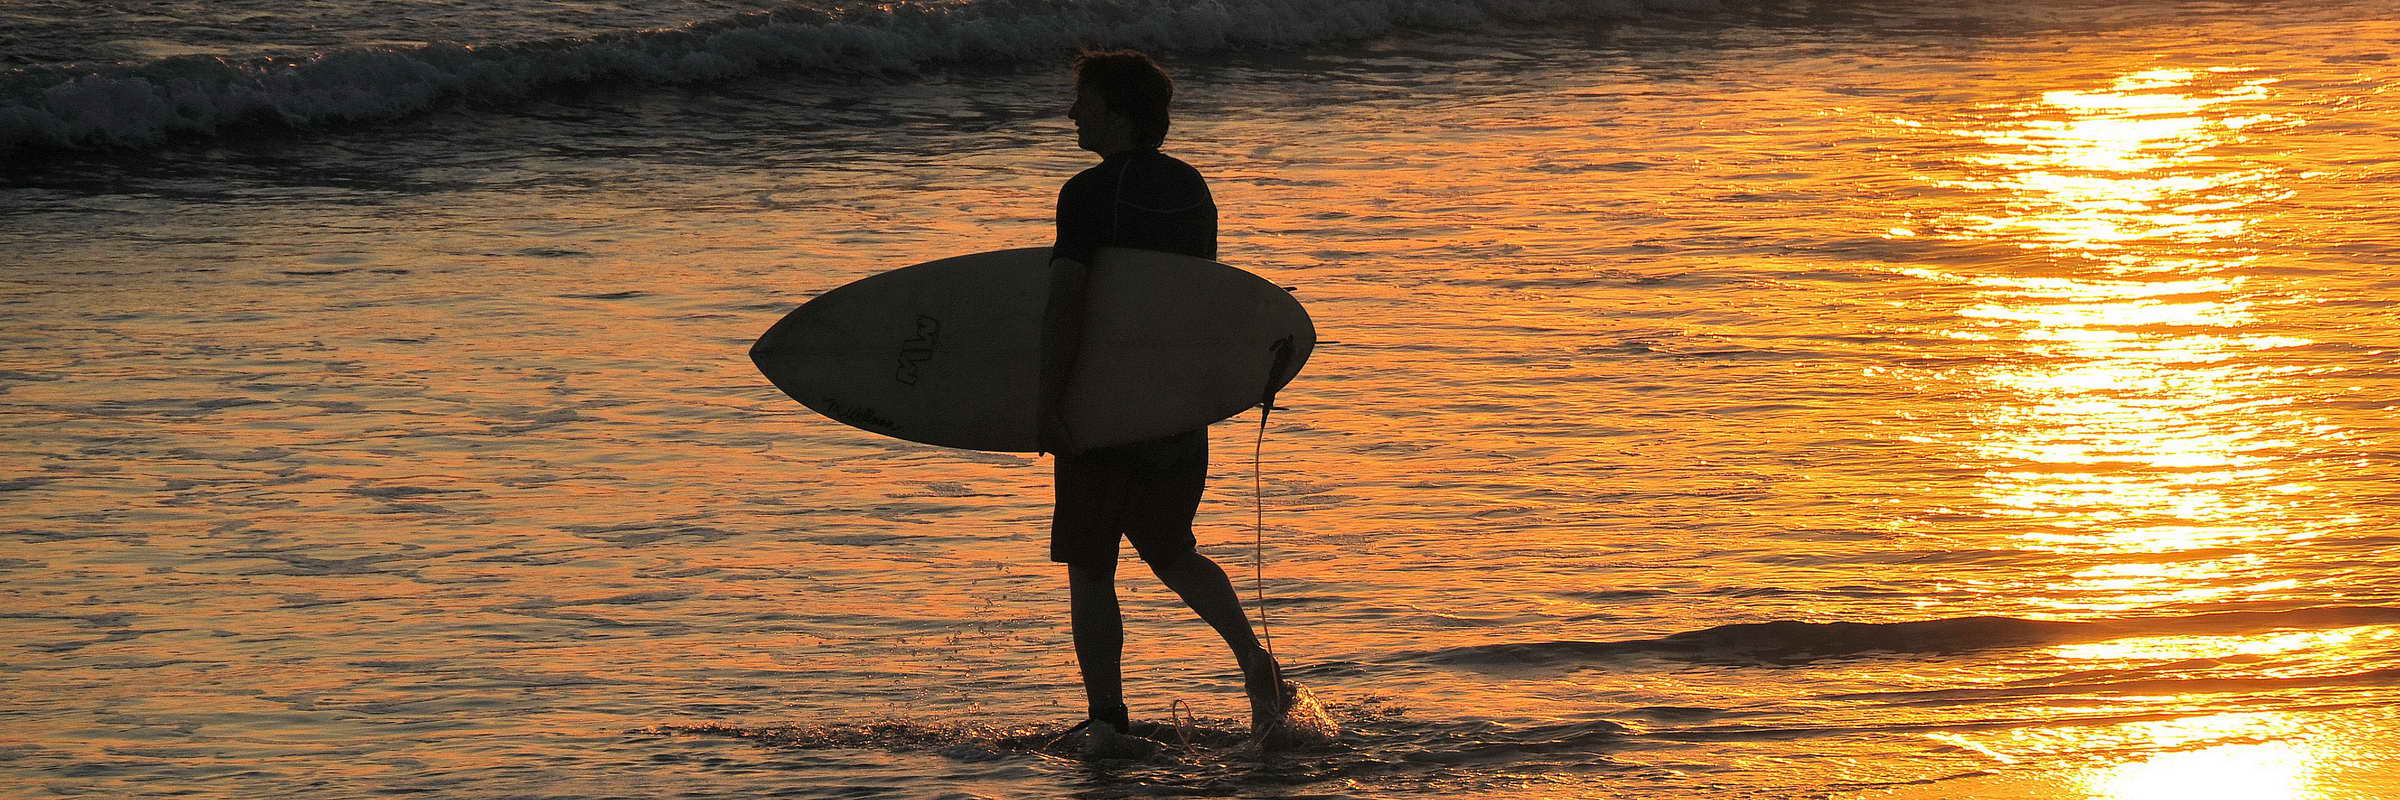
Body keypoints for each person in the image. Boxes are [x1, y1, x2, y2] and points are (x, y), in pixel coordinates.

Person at [1036, 50, 1289, 756]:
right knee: (1173, 551)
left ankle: (1108, 720)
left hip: (1104, 406)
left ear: (1114, 109)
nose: (1071, 113)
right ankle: (1258, 666)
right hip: (1178, 403)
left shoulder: (1085, 194)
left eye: (1081, 99)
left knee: (1091, 564)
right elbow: (1198, 299)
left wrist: (1048, 401)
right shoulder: (1191, 189)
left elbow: (1066, 303)